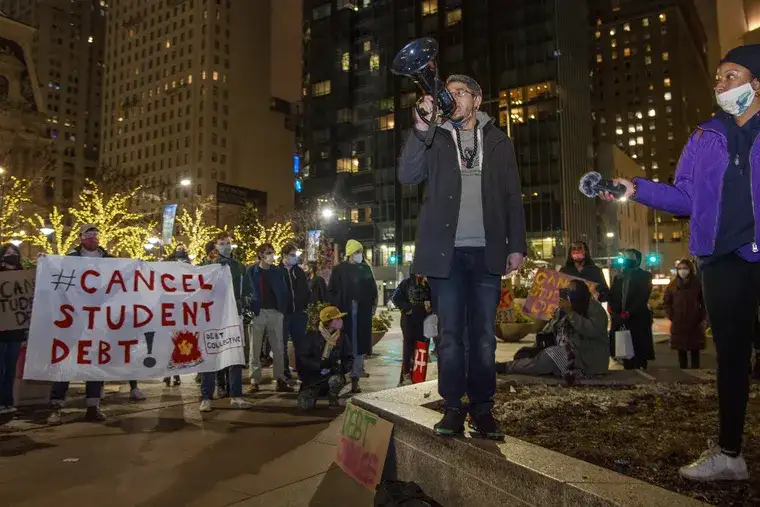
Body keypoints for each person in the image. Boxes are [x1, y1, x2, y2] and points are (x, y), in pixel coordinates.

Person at [598, 45, 760, 481]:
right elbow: (685, 198)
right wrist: (635, 188)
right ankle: (730, 454)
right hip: (722, 259)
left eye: (731, 76)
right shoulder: (704, 137)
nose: (720, 84)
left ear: (756, 84)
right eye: (719, 78)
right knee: (731, 357)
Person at [398, 74, 527, 439]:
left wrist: (517, 245)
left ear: (477, 99)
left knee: (484, 337)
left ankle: (482, 409)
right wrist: (421, 125)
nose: (452, 97)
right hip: (446, 256)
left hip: (487, 253)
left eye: (460, 92)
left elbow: (512, 195)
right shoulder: (435, 136)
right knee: (451, 335)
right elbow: (407, 174)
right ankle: (453, 407)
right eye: (448, 92)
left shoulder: (499, 141)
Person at [48, 225, 146, 425]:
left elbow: (121, 279)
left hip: (99, 319)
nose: (93, 238)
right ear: (81, 238)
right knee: (65, 361)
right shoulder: (70, 259)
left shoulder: (109, 260)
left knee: (95, 360)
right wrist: (45, 263)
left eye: (95, 235)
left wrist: (136, 266)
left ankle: (93, 406)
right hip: (73, 318)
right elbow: (56, 279)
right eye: (88, 235)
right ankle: (56, 406)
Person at [497, 280, 609, 380]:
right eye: (567, 291)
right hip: (565, 351)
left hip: (586, 361)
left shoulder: (593, 308)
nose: (568, 294)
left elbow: (592, 330)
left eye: (572, 291)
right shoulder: (563, 309)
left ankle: (505, 367)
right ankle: (518, 365)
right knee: (525, 355)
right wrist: (538, 346)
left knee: (549, 357)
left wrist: (571, 313)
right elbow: (551, 329)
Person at [198, 231, 253, 412]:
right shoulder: (206, 265)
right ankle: (206, 397)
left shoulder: (238, 266)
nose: (226, 246)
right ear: (215, 246)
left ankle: (236, 396)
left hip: (233, 316)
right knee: (209, 356)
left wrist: (243, 303)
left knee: (234, 357)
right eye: (222, 243)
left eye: (228, 243)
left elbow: (248, 290)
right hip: (211, 316)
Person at [328, 239, 377, 394]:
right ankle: (341, 377)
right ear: (350, 254)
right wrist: (335, 311)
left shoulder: (365, 268)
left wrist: (373, 305)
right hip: (345, 312)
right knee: (345, 344)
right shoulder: (339, 270)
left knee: (359, 344)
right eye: (357, 252)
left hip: (362, 312)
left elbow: (373, 289)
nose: (360, 255)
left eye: (361, 252)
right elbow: (332, 291)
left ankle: (355, 377)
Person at [247, 243, 294, 393]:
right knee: (254, 348)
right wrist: (250, 309)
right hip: (258, 312)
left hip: (275, 312)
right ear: (260, 255)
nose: (271, 255)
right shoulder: (251, 271)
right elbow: (247, 291)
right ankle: (254, 380)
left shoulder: (278, 271)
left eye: (272, 252)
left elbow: (285, 291)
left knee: (278, 347)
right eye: (268, 252)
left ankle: (280, 379)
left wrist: (282, 310)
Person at [296, 306, 353, 411]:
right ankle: (312, 393)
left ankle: (332, 395)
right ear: (328, 321)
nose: (341, 321)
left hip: (332, 375)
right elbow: (303, 358)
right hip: (313, 378)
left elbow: (349, 357)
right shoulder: (312, 336)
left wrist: (341, 369)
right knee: (304, 406)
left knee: (337, 380)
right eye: (337, 319)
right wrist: (319, 364)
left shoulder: (342, 337)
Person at [608, 249, 654, 370]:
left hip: (638, 319)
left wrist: (629, 312)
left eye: (630, 257)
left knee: (639, 351)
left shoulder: (645, 276)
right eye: (625, 257)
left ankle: (641, 371)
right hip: (621, 320)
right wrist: (615, 313)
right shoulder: (618, 277)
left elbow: (643, 297)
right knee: (625, 353)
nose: (627, 260)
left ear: (637, 260)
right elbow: (612, 296)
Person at [663, 259, 706, 369]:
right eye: (680, 268)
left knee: (695, 351)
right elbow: (666, 302)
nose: (682, 271)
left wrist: (701, 316)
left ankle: (696, 373)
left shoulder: (698, 284)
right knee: (681, 351)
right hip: (679, 322)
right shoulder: (673, 285)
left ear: (690, 269)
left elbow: (705, 302)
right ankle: (683, 373)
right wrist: (672, 316)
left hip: (694, 322)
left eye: (685, 268)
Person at [391, 273, 432, 385]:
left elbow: (432, 300)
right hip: (408, 321)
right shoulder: (406, 283)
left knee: (422, 347)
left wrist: (430, 308)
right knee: (408, 347)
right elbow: (395, 298)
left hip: (424, 321)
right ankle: (406, 374)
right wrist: (407, 308)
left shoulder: (427, 285)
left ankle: (418, 376)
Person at [0, 244, 27, 415]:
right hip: (1, 330)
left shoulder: (23, 275)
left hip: (16, 332)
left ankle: (7, 402)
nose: (12, 256)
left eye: (14, 253)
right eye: (8, 253)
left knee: (10, 369)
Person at [280, 244, 309, 381]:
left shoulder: (299, 272)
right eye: (292, 255)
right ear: (284, 256)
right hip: (283, 314)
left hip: (298, 313)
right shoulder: (277, 271)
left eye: (295, 255)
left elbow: (305, 290)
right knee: (282, 346)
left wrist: (303, 306)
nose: (294, 258)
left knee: (300, 345)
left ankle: (302, 373)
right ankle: (285, 374)